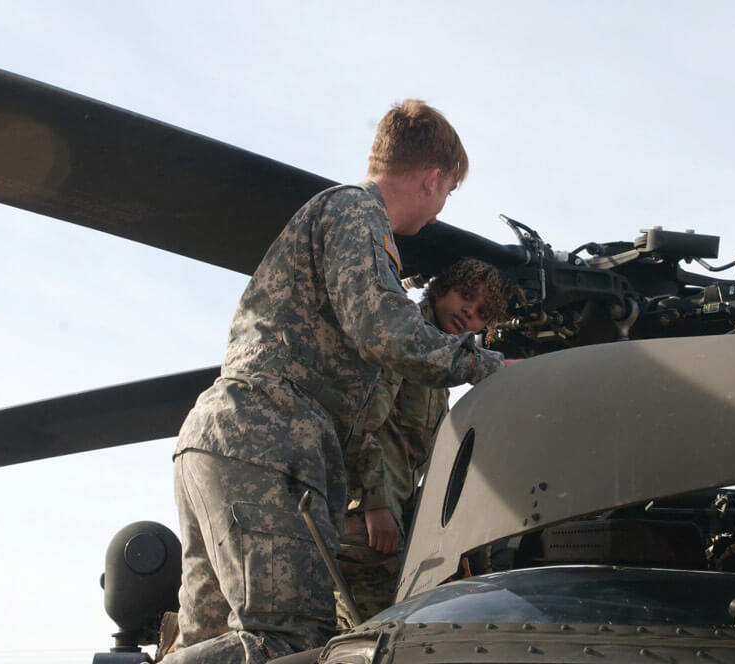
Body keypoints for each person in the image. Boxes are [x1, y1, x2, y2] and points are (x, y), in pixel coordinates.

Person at [167, 99, 510, 664]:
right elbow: (386, 332)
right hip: (268, 441)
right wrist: (490, 367)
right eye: (449, 191)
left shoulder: (339, 216)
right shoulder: (355, 213)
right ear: (432, 178)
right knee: (288, 644)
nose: (442, 206)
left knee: (211, 642)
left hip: (226, 439)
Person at [337, 258, 514, 626]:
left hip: (392, 519)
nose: (469, 311)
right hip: (366, 521)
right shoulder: (405, 339)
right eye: (465, 296)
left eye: (482, 312)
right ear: (439, 288)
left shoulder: (438, 367)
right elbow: (361, 422)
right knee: (379, 634)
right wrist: (375, 505)